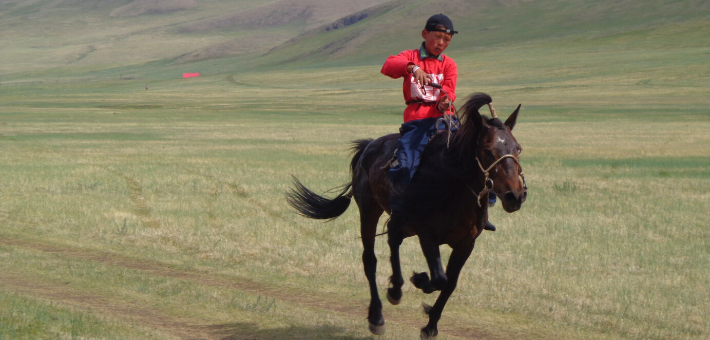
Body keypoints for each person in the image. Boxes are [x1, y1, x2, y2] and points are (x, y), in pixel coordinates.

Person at [381, 14, 496, 244]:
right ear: (425, 35)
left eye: (446, 39)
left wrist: (444, 101)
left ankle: (482, 210)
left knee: (475, 155)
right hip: (418, 119)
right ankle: (400, 212)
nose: (441, 42)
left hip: (447, 119)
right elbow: (388, 66)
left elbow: (449, 91)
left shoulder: (449, 64)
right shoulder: (410, 57)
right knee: (407, 160)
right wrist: (412, 68)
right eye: (437, 37)